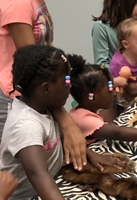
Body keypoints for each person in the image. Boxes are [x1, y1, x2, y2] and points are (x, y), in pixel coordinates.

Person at [0, 45, 125, 200]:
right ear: (46, 89)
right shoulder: (26, 125)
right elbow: (38, 175)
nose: (70, 85)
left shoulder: (43, 106)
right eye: (66, 81)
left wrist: (90, 154)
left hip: (55, 183)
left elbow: (61, 138)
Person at [0, 0, 87, 170]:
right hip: (19, 98)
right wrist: (67, 123)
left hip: (41, 97)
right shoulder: (17, 3)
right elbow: (35, 71)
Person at [92, 0, 137, 123]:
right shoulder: (101, 27)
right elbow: (102, 66)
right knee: (111, 133)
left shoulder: (136, 25)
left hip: (135, 88)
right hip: (112, 88)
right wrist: (127, 86)